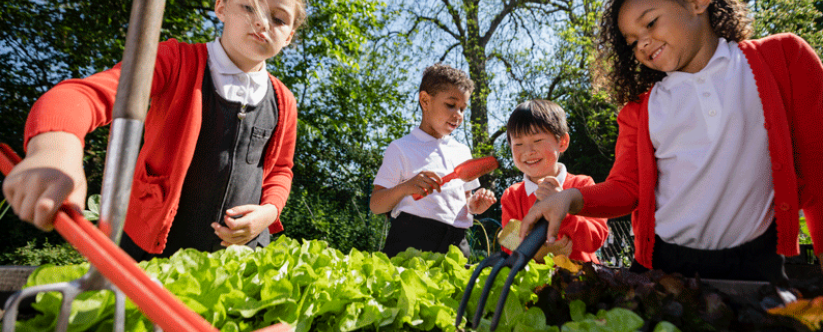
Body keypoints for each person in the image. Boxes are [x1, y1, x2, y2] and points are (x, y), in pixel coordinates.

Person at [520, 0, 823, 281]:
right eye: (632, 41)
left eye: (650, 23)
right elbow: (626, 188)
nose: (643, 44)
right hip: (665, 266)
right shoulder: (640, 109)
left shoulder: (784, 58)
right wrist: (571, 199)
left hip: (757, 262)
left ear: (697, 3)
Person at [2, 0, 306, 261]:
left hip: (240, 256)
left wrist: (268, 213)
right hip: (153, 247)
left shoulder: (284, 102)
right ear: (221, 8)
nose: (261, 22)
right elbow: (80, 97)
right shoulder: (175, 61)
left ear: (289, 35)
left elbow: (280, 170)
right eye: (249, 6)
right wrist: (55, 149)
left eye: (278, 18)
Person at [370, 63, 497, 258]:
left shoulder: (462, 151)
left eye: (463, 108)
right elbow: (376, 205)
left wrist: (473, 206)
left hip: (456, 243)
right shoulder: (401, 148)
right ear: (425, 100)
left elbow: (465, 202)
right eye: (451, 105)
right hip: (410, 239)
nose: (458, 115)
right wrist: (405, 188)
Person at [500, 100, 608, 263]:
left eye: (537, 141)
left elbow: (595, 239)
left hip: (581, 283)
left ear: (562, 142)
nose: (528, 151)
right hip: (534, 286)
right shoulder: (512, 196)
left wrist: (562, 211)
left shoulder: (582, 185)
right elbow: (510, 246)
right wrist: (538, 253)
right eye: (519, 144)